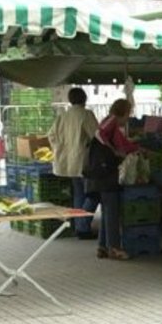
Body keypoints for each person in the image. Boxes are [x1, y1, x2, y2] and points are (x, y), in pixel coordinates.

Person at [84, 98, 139, 261]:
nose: (129, 117)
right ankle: (114, 248)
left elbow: (122, 144)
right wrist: (113, 151)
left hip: (100, 174)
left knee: (108, 211)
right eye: (128, 113)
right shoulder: (112, 122)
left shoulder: (109, 122)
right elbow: (101, 135)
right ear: (124, 112)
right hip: (106, 174)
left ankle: (102, 247)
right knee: (112, 211)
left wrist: (133, 147)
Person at [47, 87, 99, 239]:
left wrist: (60, 148)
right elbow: (96, 136)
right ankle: (83, 227)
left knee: (79, 194)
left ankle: (79, 227)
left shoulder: (62, 115)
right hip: (83, 161)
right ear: (85, 99)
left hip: (66, 161)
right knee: (93, 194)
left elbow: (51, 135)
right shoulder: (86, 114)